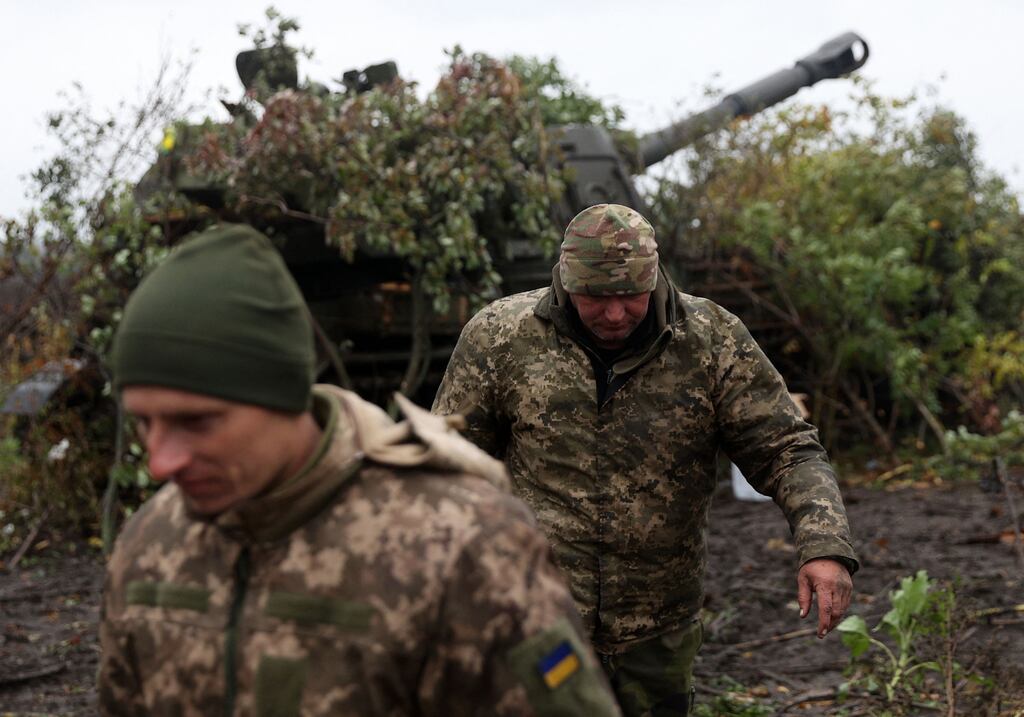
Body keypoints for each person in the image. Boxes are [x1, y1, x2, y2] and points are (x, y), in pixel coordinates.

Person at [97, 223, 622, 716]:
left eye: (196, 422)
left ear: (283, 396)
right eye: (145, 422)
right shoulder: (151, 541)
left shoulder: (461, 547)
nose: (161, 463)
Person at [433, 203, 859, 716]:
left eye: (629, 296)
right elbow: (446, 466)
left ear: (654, 278)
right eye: (595, 297)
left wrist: (824, 546)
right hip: (539, 621)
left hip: (658, 629)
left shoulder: (710, 341)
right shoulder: (501, 337)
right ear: (565, 282)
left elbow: (789, 450)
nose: (614, 315)